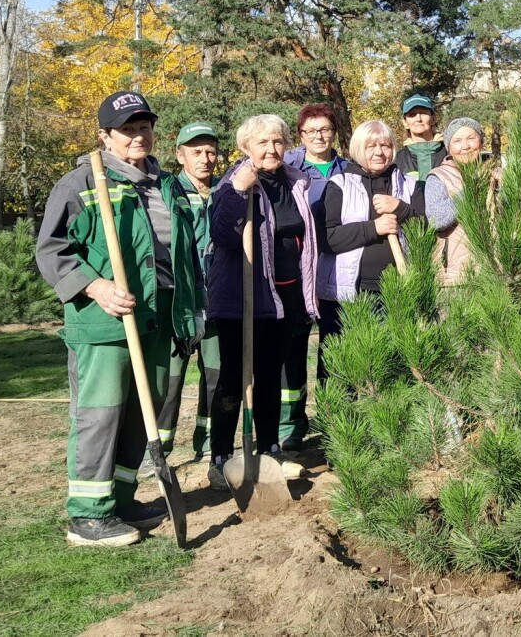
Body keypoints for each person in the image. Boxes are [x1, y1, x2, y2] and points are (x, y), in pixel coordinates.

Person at [35, 91, 204, 547]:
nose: (138, 136)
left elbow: (184, 251)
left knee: (140, 413)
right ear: (105, 136)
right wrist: (96, 286)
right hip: (106, 317)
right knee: (101, 412)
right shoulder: (80, 183)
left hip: (160, 315)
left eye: (144, 126)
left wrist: (191, 307)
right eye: (127, 129)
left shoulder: (167, 185)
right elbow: (51, 250)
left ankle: (123, 500)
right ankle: (88, 515)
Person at [207, 114, 319, 489]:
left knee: (270, 374)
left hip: (284, 298)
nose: (271, 149)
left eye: (278, 141)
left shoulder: (295, 181)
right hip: (241, 297)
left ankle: (270, 448)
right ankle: (220, 456)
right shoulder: (233, 183)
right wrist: (239, 191)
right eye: (262, 143)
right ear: (245, 148)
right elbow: (222, 235)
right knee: (233, 378)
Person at [319, 120, 416, 377]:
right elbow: (327, 239)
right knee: (342, 372)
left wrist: (401, 208)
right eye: (371, 146)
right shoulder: (340, 185)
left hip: (396, 291)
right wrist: (374, 228)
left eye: (385, 145)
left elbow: (425, 228)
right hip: (347, 294)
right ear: (358, 149)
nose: (379, 152)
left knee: (392, 369)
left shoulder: (408, 184)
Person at [152, 121, 222, 466]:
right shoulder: (167, 191)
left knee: (216, 377)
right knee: (169, 380)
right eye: (196, 152)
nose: (204, 159)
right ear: (180, 156)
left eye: (210, 152)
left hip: (217, 302)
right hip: (179, 303)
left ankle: (208, 443)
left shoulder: (226, 190)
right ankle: (158, 450)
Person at [280, 103, 347, 450]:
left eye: (325, 130)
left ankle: (333, 422)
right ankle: (290, 425)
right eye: (311, 131)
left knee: (333, 349)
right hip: (296, 272)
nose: (319, 136)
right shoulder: (288, 168)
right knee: (293, 348)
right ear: (301, 135)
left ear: (334, 132)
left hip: (335, 271)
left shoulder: (349, 170)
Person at [425, 117, 490, 286]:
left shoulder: (491, 174)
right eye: (457, 141)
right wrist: (469, 191)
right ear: (449, 148)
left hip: (493, 272)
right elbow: (436, 220)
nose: (465, 146)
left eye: (471, 138)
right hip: (456, 278)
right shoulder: (438, 176)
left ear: (481, 142)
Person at [394, 94, 446, 217]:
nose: (418, 119)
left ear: (433, 119)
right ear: (405, 123)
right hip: (411, 225)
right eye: (412, 115)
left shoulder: (449, 154)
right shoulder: (396, 160)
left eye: (423, 113)